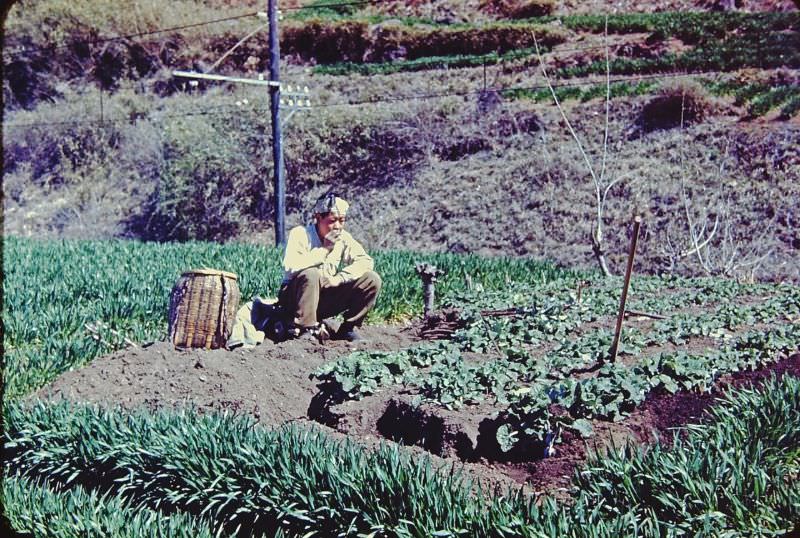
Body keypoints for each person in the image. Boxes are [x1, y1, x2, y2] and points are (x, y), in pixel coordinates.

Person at [278, 193, 382, 342]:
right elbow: (291, 266)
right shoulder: (300, 234)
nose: (337, 226)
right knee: (311, 274)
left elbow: (365, 261)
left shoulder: (343, 237)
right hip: (295, 299)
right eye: (332, 221)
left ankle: (348, 328)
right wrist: (324, 250)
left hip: (323, 297)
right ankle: (306, 329)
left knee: (372, 279)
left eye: (342, 221)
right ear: (318, 217)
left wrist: (340, 278)